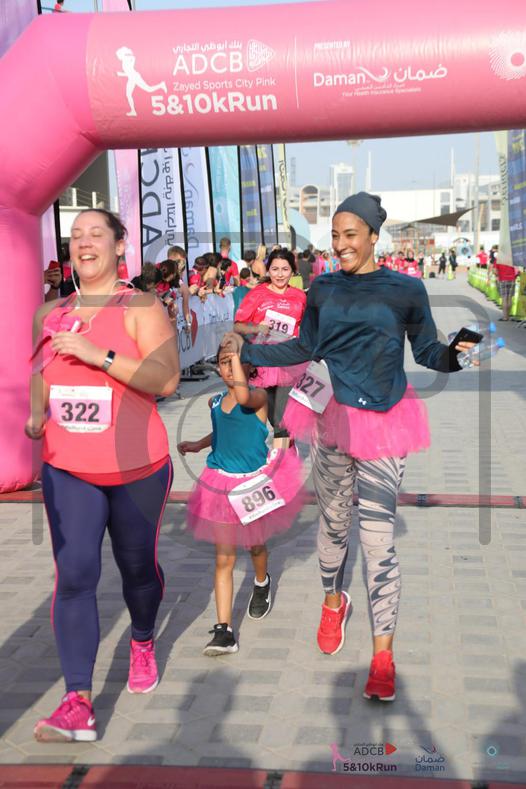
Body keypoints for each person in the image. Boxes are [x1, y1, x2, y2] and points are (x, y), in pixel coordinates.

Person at [236, 191, 478, 702]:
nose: (341, 243)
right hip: (331, 418)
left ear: (372, 235)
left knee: (378, 540)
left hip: (386, 422)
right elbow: (305, 346)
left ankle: (383, 655)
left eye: (351, 234)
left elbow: (428, 351)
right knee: (333, 525)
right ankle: (333, 600)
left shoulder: (406, 289)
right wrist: (248, 351)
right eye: (335, 235)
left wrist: (458, 355)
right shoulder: (322, 288)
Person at [26, 209, 180, 742]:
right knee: (74, 575)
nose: (84, 243)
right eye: (75, 235)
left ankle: (142, 638)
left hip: (137, 467)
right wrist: (35, 413)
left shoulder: (140, 306)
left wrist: (99, 355)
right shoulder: (50, 312)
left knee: (137, 570)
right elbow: (41, 371)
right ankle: (78, 702)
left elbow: (166, 379)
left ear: (119, 246)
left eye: (96, 234)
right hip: (69, 468)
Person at [177, 339, 303, 655]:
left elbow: (243, 397)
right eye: (223, 362)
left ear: (250, 366)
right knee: (224, 558)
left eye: (235, 361)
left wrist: (237, 355)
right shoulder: (216, 402)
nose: (229, 368)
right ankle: (225, 631)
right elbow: (223, 430)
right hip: (219, 484)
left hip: (252, 486)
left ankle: (261, 582)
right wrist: (199, 444)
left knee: (255, 545)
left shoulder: (257, 398)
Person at [233, 249, 307, 448]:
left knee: (282, 420)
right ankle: (260, 459)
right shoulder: (257, 294)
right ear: (268, 270)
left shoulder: (300, 296)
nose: (280, 274)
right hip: (261, 363)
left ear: (293, 271)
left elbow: (307, 328)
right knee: (259, 419)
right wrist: (257, 328)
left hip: (289, 363)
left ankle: (283, 459)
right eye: (275, 269)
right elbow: (238, 325)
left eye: (285, 269)